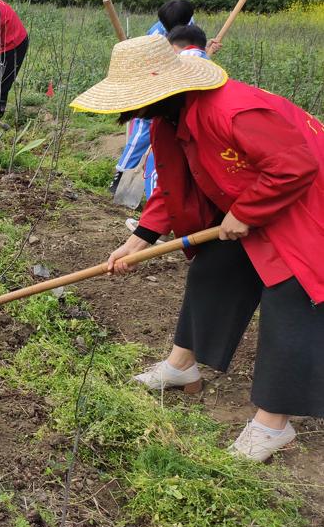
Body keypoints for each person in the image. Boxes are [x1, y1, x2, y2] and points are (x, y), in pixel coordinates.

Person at [72, 34, 324, 462]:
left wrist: (247, 211)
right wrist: (137, 241)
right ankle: (182, 365)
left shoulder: (230, 110)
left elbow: (297, 165)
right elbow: (173, 185)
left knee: (291, 299)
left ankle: (273, 425)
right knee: (214, 269)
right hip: (263, 200)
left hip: (308, 206)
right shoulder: (170, 119)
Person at [122, 24, 214, 232]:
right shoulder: (204, 62)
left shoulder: (174, 68)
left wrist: (241, 215)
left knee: (162, 171)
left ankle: (170, 226)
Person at [109, 0, 195, 197]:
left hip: (180, 89)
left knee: (171, 137)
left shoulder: (191, 26)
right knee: (142, 131)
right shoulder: (156, 36)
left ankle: (165, 183)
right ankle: (121, 175)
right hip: (154, 85)